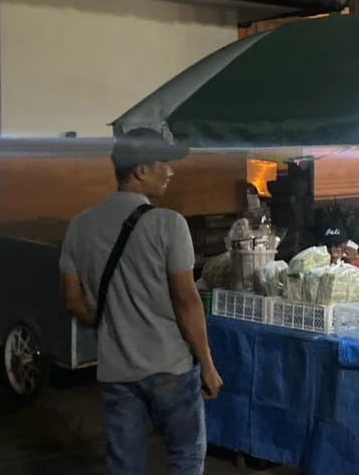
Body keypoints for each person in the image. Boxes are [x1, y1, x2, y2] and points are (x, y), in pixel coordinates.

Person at [59, 128, 222, 475]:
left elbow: (72, 301)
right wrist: (207, 365)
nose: (170, 171)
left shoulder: (79, 226)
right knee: (185, 456)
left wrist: (111, 325)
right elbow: (186, 300)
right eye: (164, 163)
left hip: (115, 371)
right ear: (141, 170)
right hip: (170, 368)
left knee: (125, 465)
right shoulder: (169, 224)